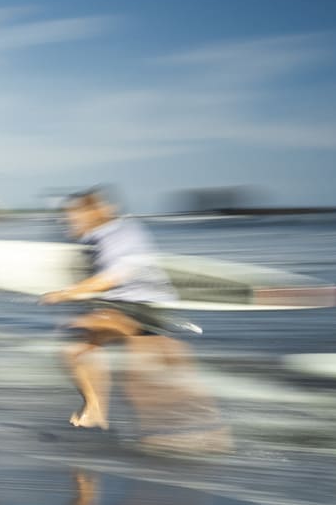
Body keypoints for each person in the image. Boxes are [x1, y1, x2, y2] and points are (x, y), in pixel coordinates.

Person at [43, 187, 221, 446]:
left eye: (74, 215)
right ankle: (99, 413)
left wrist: (67, 293)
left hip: (143, 309)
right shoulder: (97, 236)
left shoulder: (118, 235)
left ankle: (102, 413)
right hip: (126, 307)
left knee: (83, 335)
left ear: (95, 212)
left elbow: (114, 276)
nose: (68, 221)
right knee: (78, 352)